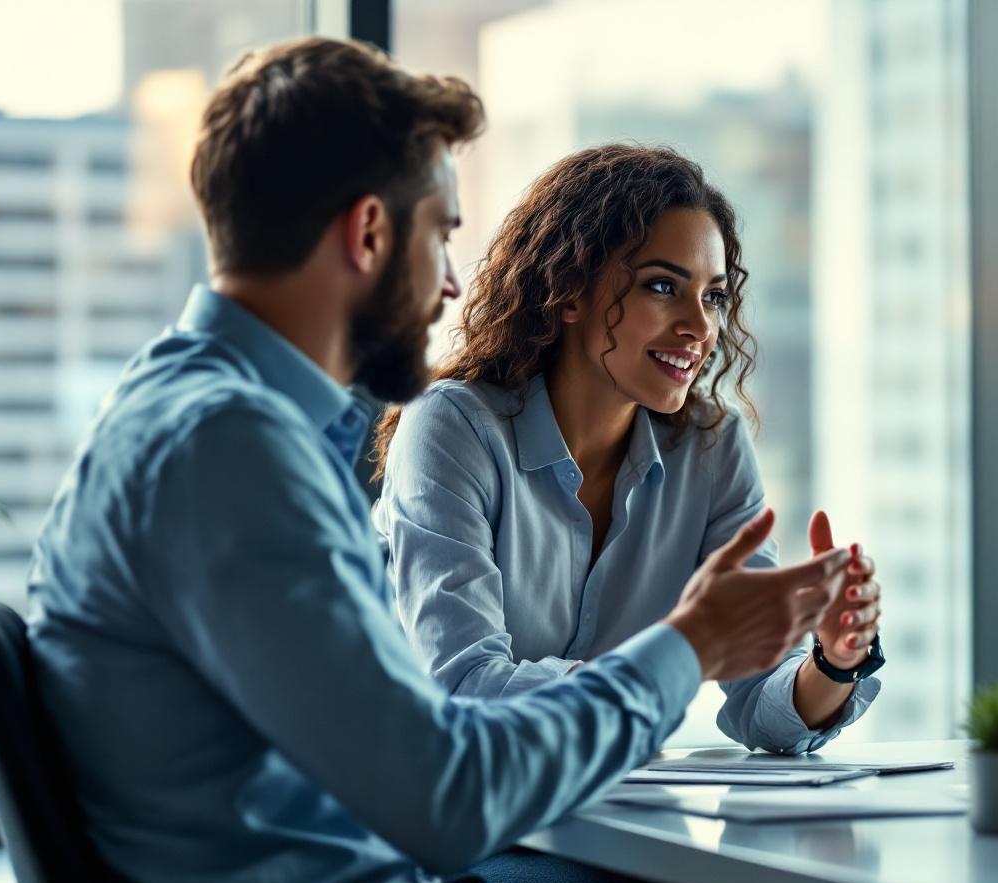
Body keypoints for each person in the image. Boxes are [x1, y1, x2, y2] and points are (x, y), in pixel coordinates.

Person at [27, 37, 849, 883]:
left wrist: (799, 659)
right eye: (442, 234)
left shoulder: (213, 420)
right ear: (370, 234)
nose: (454, 282)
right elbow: (446, 797)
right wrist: (687, 648)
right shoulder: (228, 449)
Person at [373, 145, 885, 760]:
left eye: (714, 296)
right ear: (568, 292)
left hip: (608, 821)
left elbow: (760, 705)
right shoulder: (453, 427)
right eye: (663, 287)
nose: (700, 327)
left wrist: (834, 659)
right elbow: (466, 690)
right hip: (442, 824)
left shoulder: (712, 448)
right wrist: (680, 652)